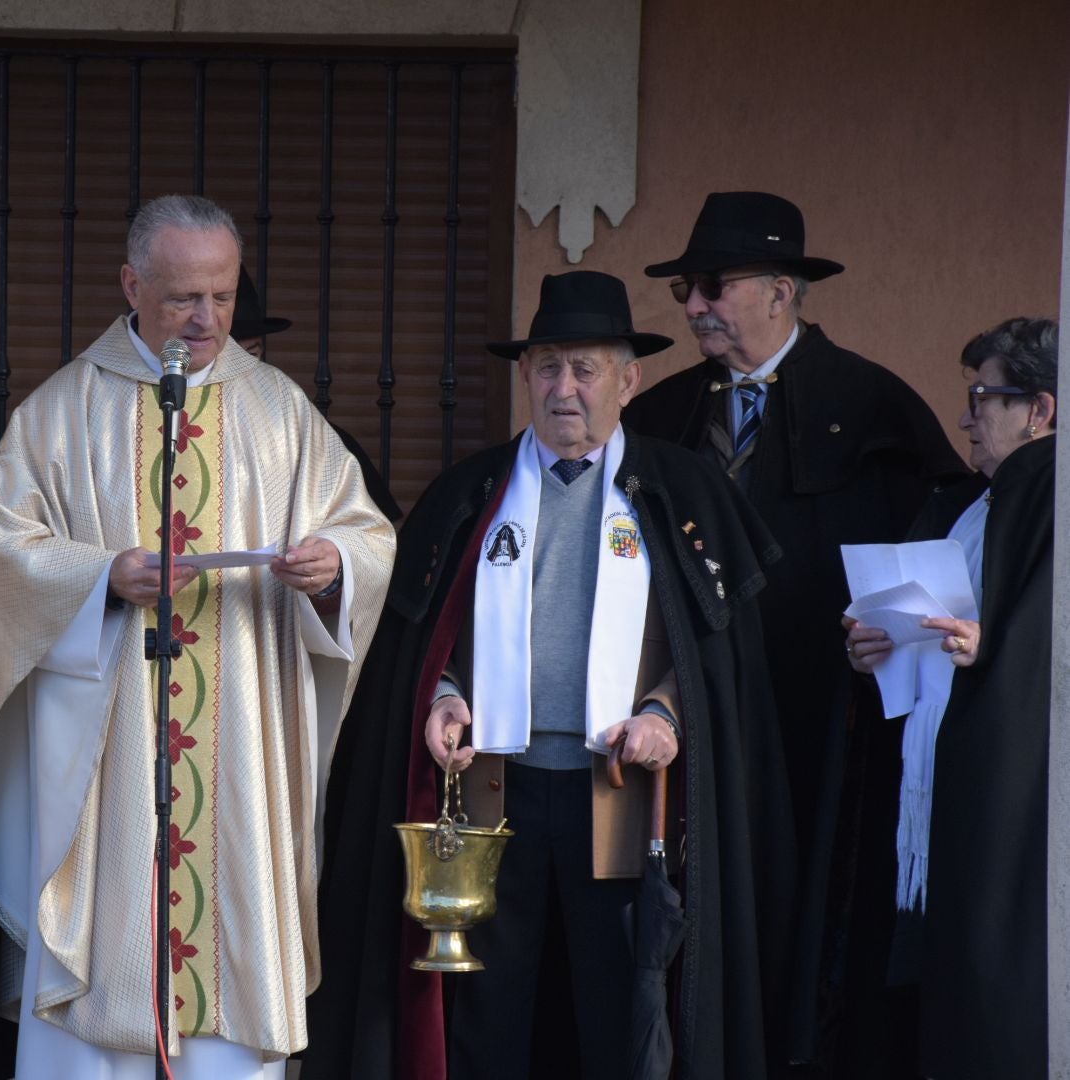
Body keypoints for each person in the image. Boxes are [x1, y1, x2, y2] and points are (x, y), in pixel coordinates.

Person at [306, 271, 796, 1080]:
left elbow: (716, 663)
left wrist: (666, 714)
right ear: (526, 375)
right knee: (488, 1020)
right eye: (546, 368)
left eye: (586, 370)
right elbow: (424, 644)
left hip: (621, 796)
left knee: (619, 1013)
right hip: (499, 794)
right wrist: (447, 695)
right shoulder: (471, 493)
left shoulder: (682, 493)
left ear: (629, 380)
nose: (563, 390)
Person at [0, 193, 396, 1079]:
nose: (206, 320)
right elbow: (1, 548)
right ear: (131, 284)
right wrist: (101, 578)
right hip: (109, 747)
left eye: (222, 299)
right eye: (184, 298)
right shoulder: (60, 412)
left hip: (241, 741)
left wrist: (333, 568)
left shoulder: (280, 412)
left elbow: (367, 530)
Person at [623, 191, 967, 1061]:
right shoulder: (657, 419)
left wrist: (894, 639)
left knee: (807, 929)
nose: (694, 305)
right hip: (683, 723)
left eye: (711, 284)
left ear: (781, 290)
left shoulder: (880, 411)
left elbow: (946, 573)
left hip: (825, 733)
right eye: (684, 290)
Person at [838, 317, 1056, 1079]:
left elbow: (1037, 642)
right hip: (928, 799)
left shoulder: (1050, 500)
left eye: (983, 397)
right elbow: (930, 636)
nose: (966, 416)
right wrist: (877, 644)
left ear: (1041, 411)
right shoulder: (967, 509)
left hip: (1008, 819)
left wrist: (988, 645)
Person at [229, 263, 404, 522]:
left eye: (251, 354)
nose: (241, 369)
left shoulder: (319, 440)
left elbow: (376, 534)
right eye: (227, 358)